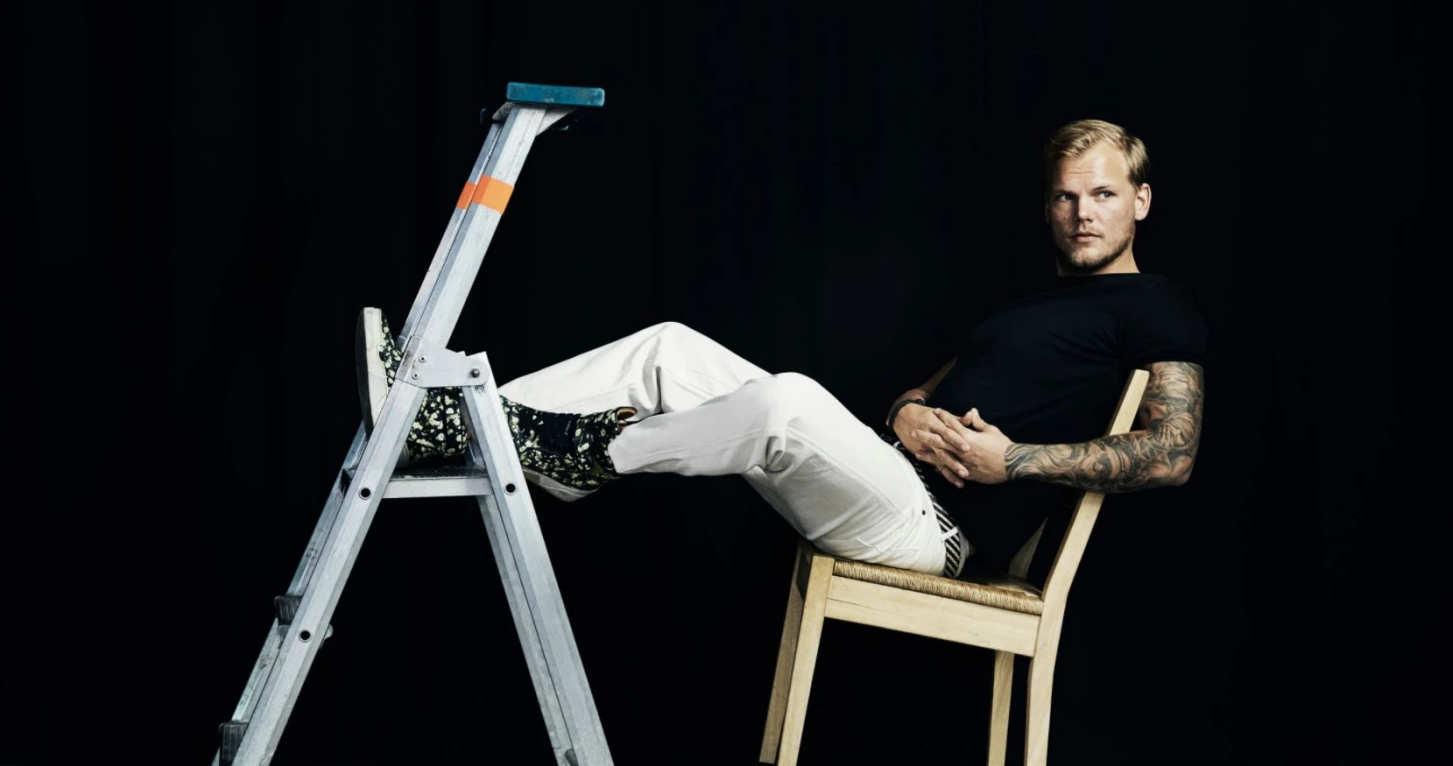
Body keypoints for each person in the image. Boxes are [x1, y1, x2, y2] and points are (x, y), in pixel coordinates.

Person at [360, 119, 1206, 578]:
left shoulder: (1156, 305)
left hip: (936, 530)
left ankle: (577, 452)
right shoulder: (1029, 307)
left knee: (788, 399)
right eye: (1064, 198)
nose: (1081, 214)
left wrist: (1010, 461)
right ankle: (446, 418)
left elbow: (1172, 454)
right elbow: (920, 392)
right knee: (667, 348)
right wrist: (904, 413)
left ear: (1140, 200)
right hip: (882, 471)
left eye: (1102, 195)